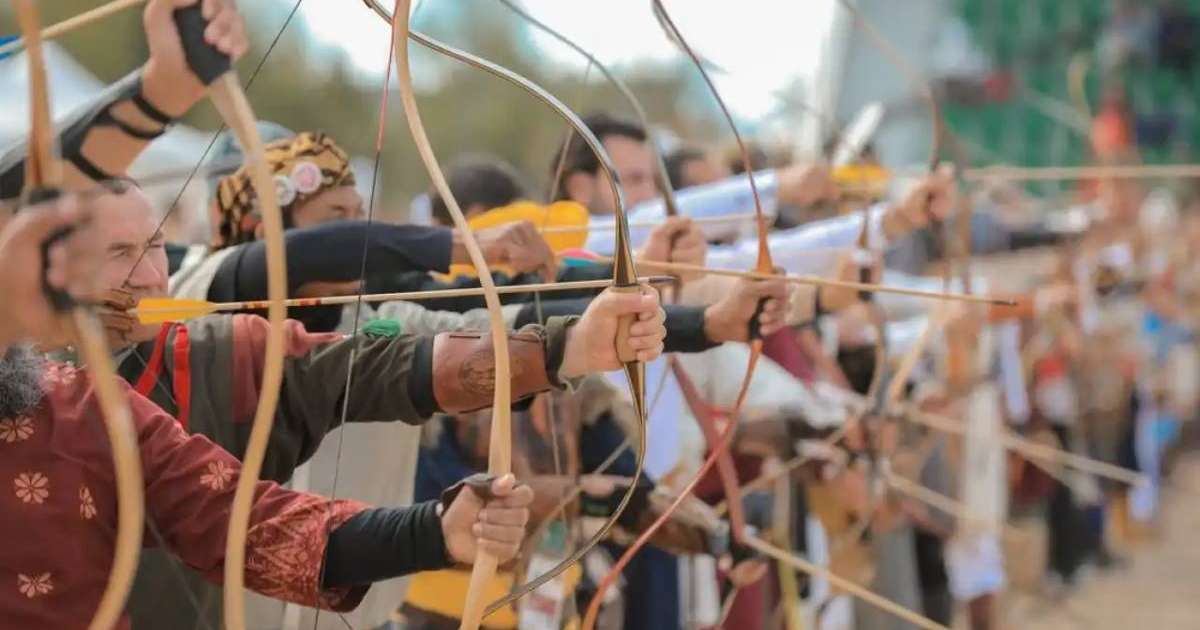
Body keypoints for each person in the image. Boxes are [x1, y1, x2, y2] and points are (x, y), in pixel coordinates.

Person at [0, 193, 541, 628]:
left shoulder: (102, 401)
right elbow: (302, 255)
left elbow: (248, 522)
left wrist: (434, 530)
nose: (146, 274)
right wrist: (452, 243)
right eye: (119, 252)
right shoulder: (215, 275)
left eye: (156, 246)